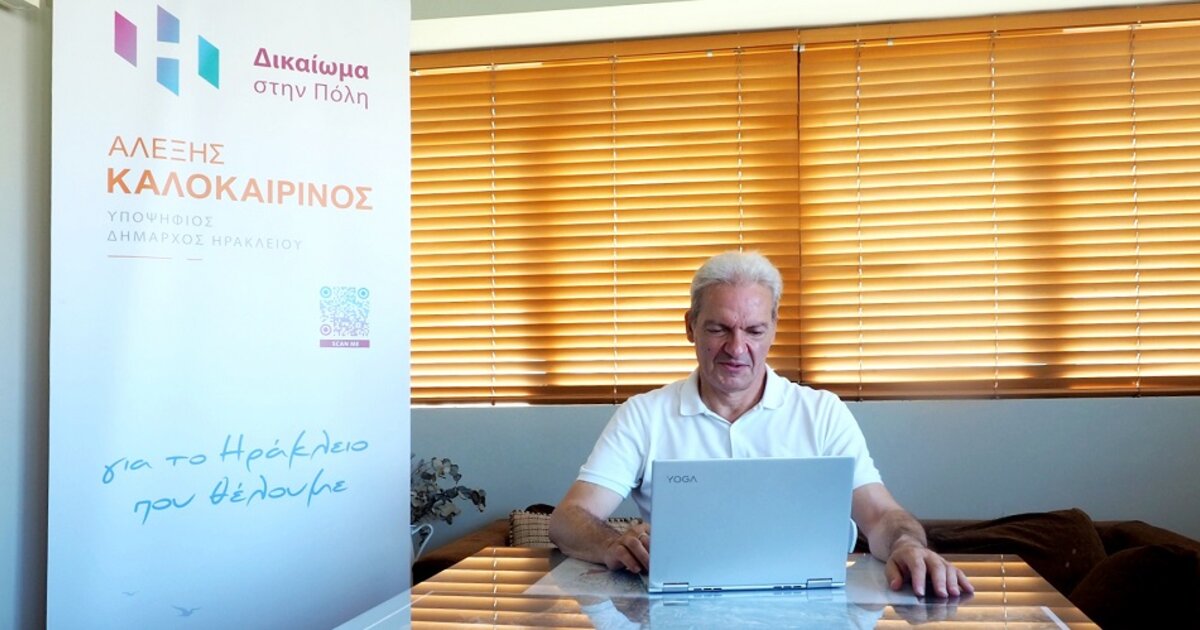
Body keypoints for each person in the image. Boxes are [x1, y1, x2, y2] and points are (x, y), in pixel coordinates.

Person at [548, 251, 974, 599]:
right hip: (679, 605)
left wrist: (907, 545)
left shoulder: (822, 412)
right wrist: (610, 543)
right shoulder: (644, 414)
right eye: (719, 329)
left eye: (754, 330)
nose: (737, 348)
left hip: (811, 608)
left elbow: (880, 516)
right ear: (690, 327)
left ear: (773, 329)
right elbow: (567, 519)